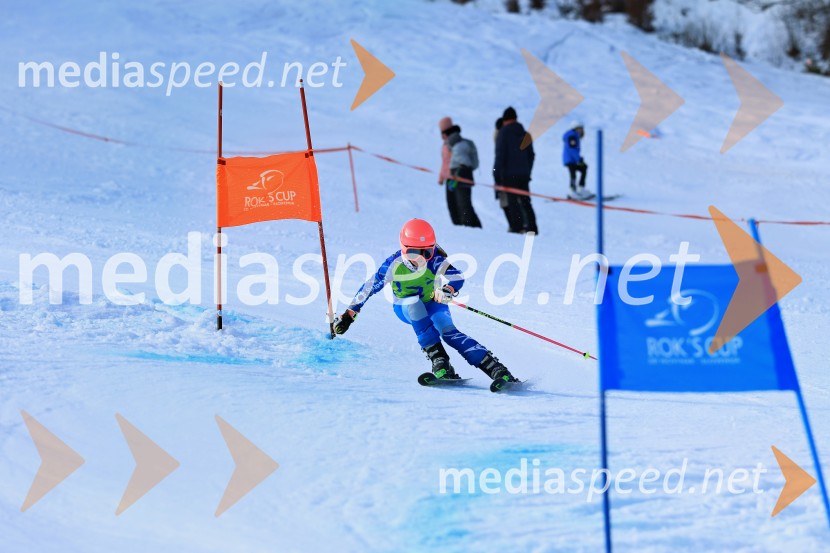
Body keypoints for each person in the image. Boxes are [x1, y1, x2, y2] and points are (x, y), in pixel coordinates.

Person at [332, 219, 518, 384]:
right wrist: (349, 314)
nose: (420, 258)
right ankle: (439, 360)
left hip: (433, 303)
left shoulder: (436, 260)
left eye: (426, 252)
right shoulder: (393, 265)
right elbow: (368, 288)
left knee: (449, 332)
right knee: (414, 304)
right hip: (405, 307)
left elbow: (457, 277)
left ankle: (495, 368)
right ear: (404, 249)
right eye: (413, 253)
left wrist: (448, 290)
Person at [493, 106, 538, 234]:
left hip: (508, 175)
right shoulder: (525, 134)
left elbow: (499, 156)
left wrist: (496, 174)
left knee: (513, 203)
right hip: (524, 175)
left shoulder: (503, 133)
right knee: (526, 202)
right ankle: (533, 228)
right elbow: (531, 156)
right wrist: (527, 171)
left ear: (506, 120)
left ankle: (517, 228)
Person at [444, 123, 482, 228]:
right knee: (462, 204)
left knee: (461, 205)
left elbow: (465, 163)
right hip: (461, 177)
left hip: (459, 177)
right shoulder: (464, 144)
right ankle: (470, 226)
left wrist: (458, 174)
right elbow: (473, 164)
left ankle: (468, 226)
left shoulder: (459, 146)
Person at [438, 117, 462, 225]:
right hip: (450, 178)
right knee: (453, 203)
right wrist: (441, 177)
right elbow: (445, 162)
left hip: (454, 177)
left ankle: (460, 224)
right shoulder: (448, 141)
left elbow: (448, 162)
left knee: (455, 203)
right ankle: (458, 224)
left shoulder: (452, 142)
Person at [563, 121, 588, 197]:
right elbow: (572, 149)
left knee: (583, 168)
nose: (581, 131)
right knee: (574, 173)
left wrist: (578, 159)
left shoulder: (573, 135)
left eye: (582, 129)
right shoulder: (572, 136)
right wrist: (579, 159)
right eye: (580, 129)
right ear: (575, 128)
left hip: (571, 159)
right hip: (570, 160)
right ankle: (573, 191)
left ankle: (579, 189)